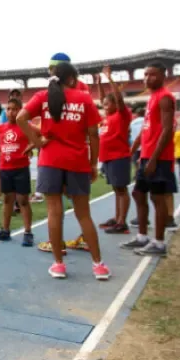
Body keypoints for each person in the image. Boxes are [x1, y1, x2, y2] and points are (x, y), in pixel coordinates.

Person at [17, 62, 110, 280]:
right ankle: (98, 266)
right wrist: (93, 163)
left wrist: (38, 142)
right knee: (83, 214)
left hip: (50, 160)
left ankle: (59, 264)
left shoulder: (42, 96)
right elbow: (94, 134)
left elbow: (21, 118)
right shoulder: (84, 98)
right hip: (77, 160)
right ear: (71, 79)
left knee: (54, 212)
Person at [121, 62, 178, 257]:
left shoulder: (165, 98)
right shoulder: (153, 97)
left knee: (157, 197)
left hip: (159, 157)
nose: (148, 78)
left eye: (152, 75)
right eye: (145, 75)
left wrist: (153, 158)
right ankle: (143, 236)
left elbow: (167, 129)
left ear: (163, 75)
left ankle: (159, 243)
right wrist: (135, 150)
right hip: (146, 155)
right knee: (138, 193)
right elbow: (147, 129)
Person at [0, 97, 34, 246]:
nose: (11, 112)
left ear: (21, 111)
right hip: (5, 169)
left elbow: (41, 135)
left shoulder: (25, 126)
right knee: (7, 200)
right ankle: (5, 231)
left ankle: (28, 232)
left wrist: (31, 147)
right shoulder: (1, 127)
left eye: (15, 109)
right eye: (9, 109)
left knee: (23, 201)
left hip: (21, 169)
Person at [95, 66, 133, 234]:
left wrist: (109, 79)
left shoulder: (122, 115)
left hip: (119, 156)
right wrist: (100, 84)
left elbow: (117, 99)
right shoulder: (107, 117)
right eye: (102, 104)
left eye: (106, 104)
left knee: (122, 189)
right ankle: (117, 218)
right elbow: (103, 97)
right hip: (108, 157)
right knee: (116, 190)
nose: (104, 106)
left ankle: (122, 222)